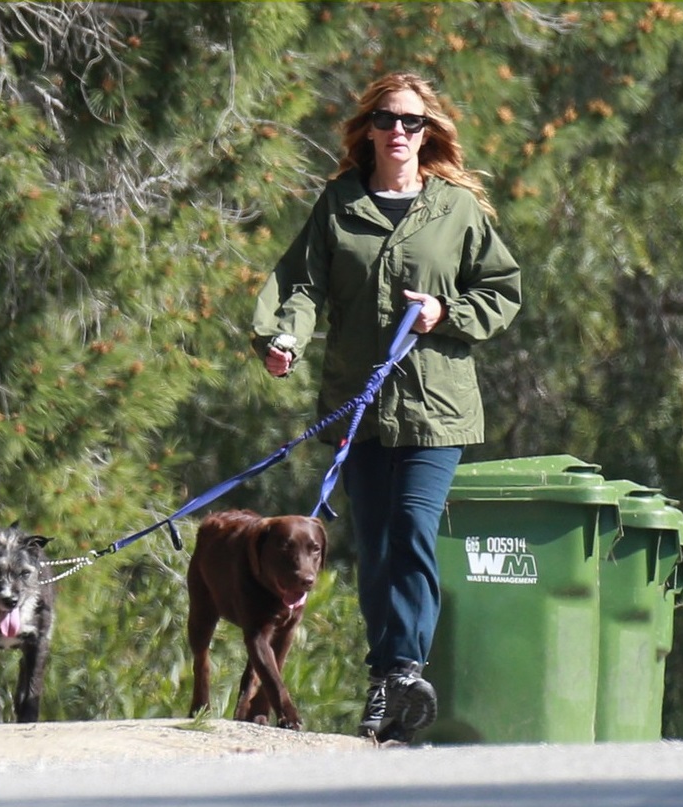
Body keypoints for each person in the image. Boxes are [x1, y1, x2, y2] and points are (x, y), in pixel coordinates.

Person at [251, 72, 521, 744]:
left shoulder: (456, 209)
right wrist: (282, 336)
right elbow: (301, 285)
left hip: (437, 407)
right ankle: (387, 684)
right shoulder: (338, 204)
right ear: (366, 129)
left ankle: (401, 669)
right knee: (374, 543)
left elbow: (502, 290)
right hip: (359, 409)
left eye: (412, 122)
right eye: (387, 120)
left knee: (409, 529)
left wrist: (444, 310)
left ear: (428, 133)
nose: (399, 132)